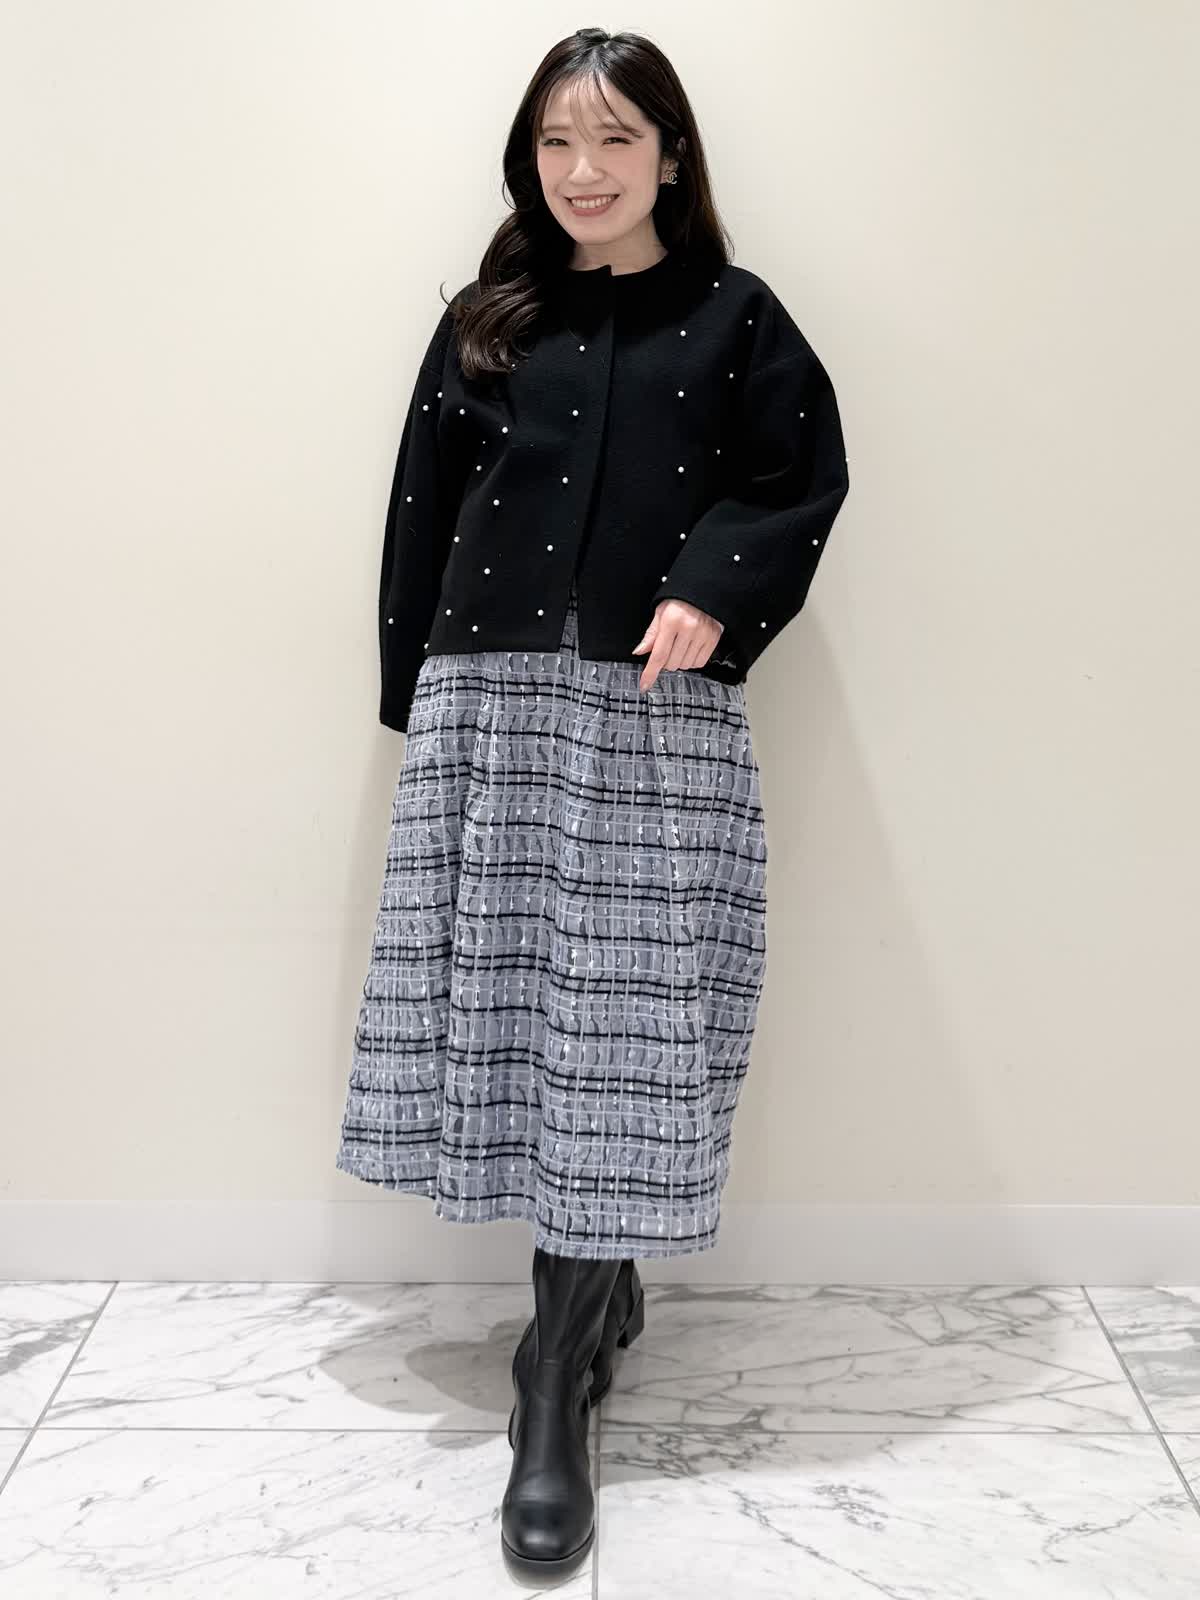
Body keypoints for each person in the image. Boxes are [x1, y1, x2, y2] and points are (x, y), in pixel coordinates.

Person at [335, 26, 850, 1579]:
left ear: (670, 156)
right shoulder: (487, 326)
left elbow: (798, 477)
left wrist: (711, 587)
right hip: (493, 707)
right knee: (519, 1019)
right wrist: (418, 700)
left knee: (621, 1033)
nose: (584, 169)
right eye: (558, 141)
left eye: (616, 138)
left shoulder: (736, 318)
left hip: (652, 712)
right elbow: (421, 509)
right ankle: (587, 1304)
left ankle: (550, 1380)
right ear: (530, 159)